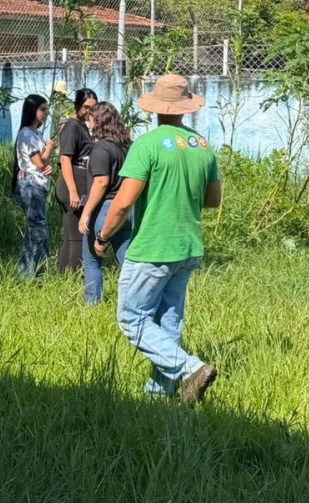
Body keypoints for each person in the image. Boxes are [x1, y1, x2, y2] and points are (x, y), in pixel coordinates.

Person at [95, 74, 221, 404]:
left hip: (152, 246)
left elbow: (123, 202)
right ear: (185, 108)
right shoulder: (202, 146)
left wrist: (103, 236)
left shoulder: (147, 145)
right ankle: (158, 395)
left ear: (156, 108)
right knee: (167, 321)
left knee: (131, 319)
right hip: (188, 246)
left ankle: (190, 368)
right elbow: (212, 199)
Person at [78, 102, 132, 305]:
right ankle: (135, 300)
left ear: (99, 121)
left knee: (92, 260)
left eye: (90, 120)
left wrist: (86, 213)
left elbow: (101, 182)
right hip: (127, 209)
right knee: (126, 261)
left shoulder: (101, 147)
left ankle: (91, 306)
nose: (88, 125)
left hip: (106, 208)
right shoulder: (127, 146)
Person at [12, 94, 53, 280]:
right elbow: (39, 161)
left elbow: (42, 164)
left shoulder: (35, 134)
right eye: (42, 109)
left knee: (32, 231)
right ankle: (38, 275)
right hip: (31, 185)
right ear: (32, 111)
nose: (46, 113)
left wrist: (46, 165)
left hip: (36, 184)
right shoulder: (27, 134)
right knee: (38, 231)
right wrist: (49, 147)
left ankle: (25, 274)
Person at [55, 88, 96, 274]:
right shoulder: (72, 127)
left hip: (77, 182)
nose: (90, 111)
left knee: (70, 237)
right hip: (73, 183)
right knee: (78, 237)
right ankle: (75, 278)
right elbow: (65, 159)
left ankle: (63, 277)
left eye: (93, 108)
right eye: (87, 107)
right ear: (78, 105)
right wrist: (73, 190)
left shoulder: (81, 126)